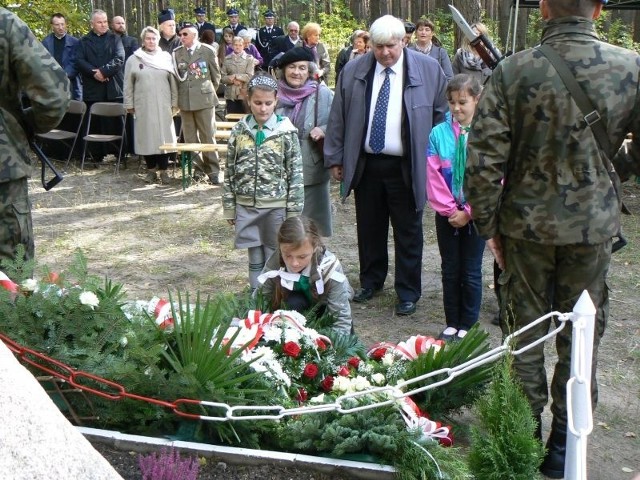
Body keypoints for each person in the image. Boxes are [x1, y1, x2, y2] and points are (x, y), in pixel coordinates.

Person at [464, 0, 640, 478]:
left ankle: (523, 437)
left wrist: (489, 227)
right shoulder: (630, 67)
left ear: (542, 9)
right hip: (592, 229)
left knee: (525, 334)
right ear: (599, 10)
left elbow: (482, 161)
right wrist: (609, 179)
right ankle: (564, 446)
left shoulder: (514, 70)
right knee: (581, 333)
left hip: (524, 228)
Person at [324, 14, 448, 316]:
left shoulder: (429, 69)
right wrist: (336, 157)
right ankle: (371, 280)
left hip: (408, 165)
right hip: (367, 164)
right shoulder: (353, 70)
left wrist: (437, 160)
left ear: (403, 41)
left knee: (409, 231)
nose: (384, 53)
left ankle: (407, 291)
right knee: (369, 227)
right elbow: (338, 116)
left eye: (390, 46)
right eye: (378, 47)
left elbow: (442, 114)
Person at [0, 7, 70, 261]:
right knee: (11, 282)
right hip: (3, 170)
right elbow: (54, 96)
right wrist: (22, 125)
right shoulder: (5, 23)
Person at [223, 74, 304, 289]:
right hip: (246, 205)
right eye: (258, 103)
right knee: (254, 252)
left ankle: (272, 297)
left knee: (273, 252)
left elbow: (295, 172)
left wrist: (294, 211)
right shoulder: (240, 130)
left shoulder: (286, 132)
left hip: (275, 205)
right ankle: (255, 296)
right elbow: (230, 169)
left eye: (268, 103)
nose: (263, 108)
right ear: (249, 100)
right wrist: (230, 207)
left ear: (276, 101)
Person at [426, 74, 484, 341]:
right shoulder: (438, 134)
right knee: (450, 268)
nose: (457, 108)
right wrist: (450, 210)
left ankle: (468, 324)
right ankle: (452, 321)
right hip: (447, 215)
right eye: (452, 102)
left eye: (463, 102)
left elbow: (494, 176)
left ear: (477, 99)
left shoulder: (487, 134)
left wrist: (469, 210)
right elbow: (433, 175)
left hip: (475, 215)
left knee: (471, 270)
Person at [257, 216, 354, 335]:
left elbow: (341, 319)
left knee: (344, 334)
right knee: (294, 302)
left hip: (325, 311)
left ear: (315, 247)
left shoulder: (330, 267)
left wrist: (329, 347)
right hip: (292, 312)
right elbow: (259, 301)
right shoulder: (275, 263)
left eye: (302, 257)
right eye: (287, 255)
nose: (294, 263)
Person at [275, 47, 334, 237]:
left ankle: (313, 263)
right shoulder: (273, 94)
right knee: (284, 229)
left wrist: (324, 130)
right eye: (291, 67)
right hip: (280, 171)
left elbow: (340, 123)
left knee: (313, 229)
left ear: (309, 71)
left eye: (302, 68)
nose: (296, 72)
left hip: (312, 169)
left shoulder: (323, 94)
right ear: (283, 70)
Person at [123, 26, 177, 185]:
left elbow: (173, 82)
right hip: (143, 104)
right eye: (148, 38)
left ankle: (164, 171)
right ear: (143, 40)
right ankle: (151, 170)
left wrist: (175, 103)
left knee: (164, 137)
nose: (151, 41)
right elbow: (127, 84)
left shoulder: (166, 58)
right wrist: (129, 104)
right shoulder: (134, 59)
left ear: (158, 40)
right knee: (147, 138)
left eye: (154, 38)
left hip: (163, 104)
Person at [172, 23, 222, 184]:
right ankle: (197, 170)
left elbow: (216, 77)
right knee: (190, 137)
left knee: (208, 135)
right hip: (185, 101)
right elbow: (176, 77)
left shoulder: (207, 51)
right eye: (180, 34)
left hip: (205, 100)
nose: (182, 37)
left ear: (194, 35)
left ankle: (214, 171)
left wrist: (206, 92)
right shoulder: (177, 53)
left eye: (185, 34)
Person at [76, 9, 125, 161]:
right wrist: (93, 73)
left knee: (115, 122)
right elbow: (79, 60)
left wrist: (103, 72)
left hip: (113, 87)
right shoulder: (83, 41)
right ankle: (96, 154)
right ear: (92, 24)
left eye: (105, 21)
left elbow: (120, 58)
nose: (103, 25)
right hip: (93, 88)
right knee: (95, 122)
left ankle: (119, 153)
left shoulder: (115, 38)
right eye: (99, 22)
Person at [41, 13, 82, 101]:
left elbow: (76, 62)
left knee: (73, 111)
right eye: (57, 24)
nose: (60, 27)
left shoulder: (75, 42)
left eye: (62, 24)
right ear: (52, 26)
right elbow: (42, 62)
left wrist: (63, 75)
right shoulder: (45, 42)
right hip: (51, 84)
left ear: (65, 24)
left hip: (71, 84)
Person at [221, 36, 254, 114]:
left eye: (240, 45)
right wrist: (230, 79)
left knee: (245, 117)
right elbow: (222, 77)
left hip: (244, 93)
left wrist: (236, 77)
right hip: (230, 94)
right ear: (232, 46)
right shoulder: (227, 59)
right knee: (231, 118)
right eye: (235, 45)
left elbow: (250, 76)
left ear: (243, 46)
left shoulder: (249, 59)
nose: (238, 47)